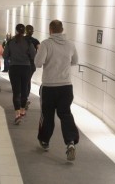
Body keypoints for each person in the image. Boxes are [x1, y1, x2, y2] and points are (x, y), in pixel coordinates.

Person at [34, 19, 79, 161]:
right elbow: (75, 61)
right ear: (62, 29)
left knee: (47, 115)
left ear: (50, 30)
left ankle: (45, 141)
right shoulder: (70, 44)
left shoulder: (46, 44)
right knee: (65, 114)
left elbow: (38, 63)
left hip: (49, 87)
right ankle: (70, 142)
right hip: (66, 86)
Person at [3, 24, 36, 125]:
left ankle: (17, 114)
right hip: (26, 68)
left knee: (16, 91)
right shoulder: (28, 42)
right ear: (24, 31)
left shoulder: (10, 42)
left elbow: (5, 56)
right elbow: (34, 55)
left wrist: (12, 57)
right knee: (24, 89)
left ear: (16, 30)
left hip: (14, 68)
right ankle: (22, 110)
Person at [25, 25, 40, 109]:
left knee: (22, 81)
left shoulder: (21, 40)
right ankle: (26, 97)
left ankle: (21, 98)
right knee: (27, 81)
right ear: (33, 31)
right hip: (31, 64)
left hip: (21, 63)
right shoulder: (35, 41)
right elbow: (40, 51)